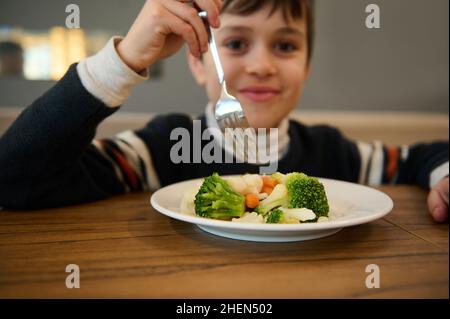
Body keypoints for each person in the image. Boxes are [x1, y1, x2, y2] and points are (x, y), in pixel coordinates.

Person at [0, 0, 448, 222]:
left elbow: (420, 157)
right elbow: (15, 177)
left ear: (307, 66)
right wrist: (126, 59)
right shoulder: (158, 149)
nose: (261, 65)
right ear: (197, 62)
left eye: (286, 45)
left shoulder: (334, 152)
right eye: (235, 43)